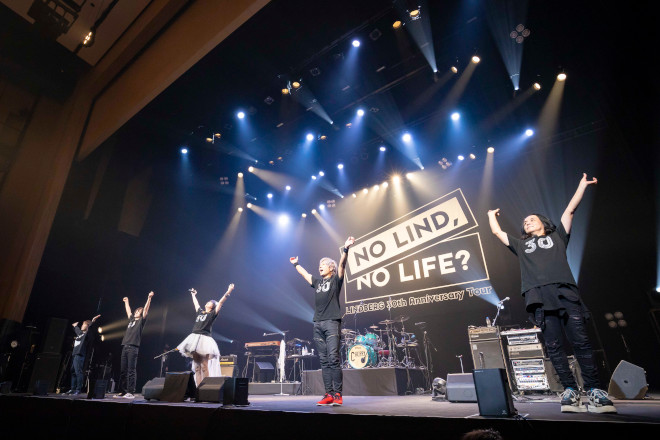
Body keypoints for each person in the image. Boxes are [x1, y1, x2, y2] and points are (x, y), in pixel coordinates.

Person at [487, 173, 616, 413]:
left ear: (543, 223)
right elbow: (497, 233)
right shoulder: (521, 245)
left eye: (532, 219)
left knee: (581, 341)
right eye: (525, 221)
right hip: (538, 298)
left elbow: (569, 211)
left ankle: (595, 390)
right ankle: (570, 391)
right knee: (554, 345)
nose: (527, 222)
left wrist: (582, 186)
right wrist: (490, 216)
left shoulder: (558, 236)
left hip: (565, 292)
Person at [290, 236, 355, 406]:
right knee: (324, 360)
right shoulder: (318, 282)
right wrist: (296, 264)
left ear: (331, 268)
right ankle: (328, 394)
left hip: (332, 322)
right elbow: (305, 274)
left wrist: (346, 249)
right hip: (318, 324)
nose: (320, 266)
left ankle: (338, 394)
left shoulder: (336, 280)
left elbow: (342, 265)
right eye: (319, 264)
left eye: (324, 264)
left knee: (333, 358)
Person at [177, 284, 235, 385]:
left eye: (210, 302)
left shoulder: (212, 314)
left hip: (204, 340)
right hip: (195, 339)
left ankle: (206, 389)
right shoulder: (200, 312)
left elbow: (221, 302)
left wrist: (229, 291)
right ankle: (198, 389)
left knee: (204, 366)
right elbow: (196, 304)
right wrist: (193, 295)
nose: (207, 302)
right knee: (197, 367)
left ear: (212, 306)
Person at [115, 291, 154, 399]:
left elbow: (146, 310)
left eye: (138, 311)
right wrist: (126, 302)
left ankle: (131, 392)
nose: (136, 312)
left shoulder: (141, 321)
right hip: (125, 346)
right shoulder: (132, 320)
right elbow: (128, 311)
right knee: (123, 370)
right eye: (136, 311)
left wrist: (149, 298)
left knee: (131, 370)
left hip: (133, 347)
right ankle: (123, 391)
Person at [66, 314, 101, 395]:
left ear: (87, 326)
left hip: (79, 354)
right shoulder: (80, 333)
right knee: (73, 371)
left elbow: (90, 329)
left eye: (83, 324)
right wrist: (75, 326)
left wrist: (92, 322)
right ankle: (72, 388)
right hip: (74, 354)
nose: (82, 326)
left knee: (78, 372)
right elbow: (77, 330)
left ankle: (78, 389)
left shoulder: (87, 335)